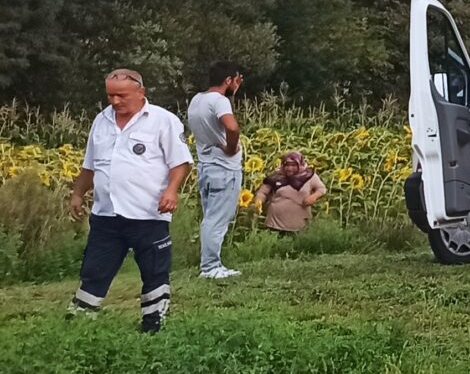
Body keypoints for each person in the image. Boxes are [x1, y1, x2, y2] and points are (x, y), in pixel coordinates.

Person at [70, 69, 192, 333]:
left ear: (141, 92)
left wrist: (172, 190)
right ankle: (77, 327)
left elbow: (181, 163)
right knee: (94, 270)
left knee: (154, 272)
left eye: (121, 95)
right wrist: (78, 193)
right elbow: (89, 166)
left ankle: (153, 327)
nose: (115, 101)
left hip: (148, 214)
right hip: (106, 215)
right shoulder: (101, 121)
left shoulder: (163, 121)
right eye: (110, 95)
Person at [186, 62, 247, 280]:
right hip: (224, 168)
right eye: (236, 80)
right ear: (228, 80)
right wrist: (231, 148)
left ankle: (210, 264)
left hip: (206, 166)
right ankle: (211, 267)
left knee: (210, 216)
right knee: (218, 219)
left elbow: (210, 124)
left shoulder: (197, 100)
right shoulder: (220, 101)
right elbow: (231, 127)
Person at [256, 152, 328, 232]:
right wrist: (258, 202)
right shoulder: (276, 177)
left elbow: (322, 189)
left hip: (300, 225)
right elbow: (262, 192)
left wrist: (313, 197)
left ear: (300, 164)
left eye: (293, 165)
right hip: (275, 224)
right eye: (287, 165)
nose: (289, 168)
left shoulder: (309, 176)